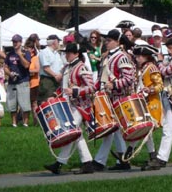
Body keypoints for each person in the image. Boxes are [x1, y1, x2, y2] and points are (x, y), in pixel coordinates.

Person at [44, 43, 95, 175]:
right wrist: (55, 95)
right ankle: (86, 163)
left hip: (80, 106)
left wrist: (75, 91)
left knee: (71, 132)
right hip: (68, 106)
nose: (66, 55)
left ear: (76, 54)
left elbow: (91, 87)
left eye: (69, 53)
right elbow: (63, 86)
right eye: (66, 52)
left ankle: (60, 163)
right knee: (76, 135)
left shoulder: (82, 68)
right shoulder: (67, 67)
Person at [91, 29, 135, 171]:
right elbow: (101, 78)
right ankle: (122, 160)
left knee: (112, 130)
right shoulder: (106, 57)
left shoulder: (121, 57)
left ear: (117, 42)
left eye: (109, 41)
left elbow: (129, 78)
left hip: (118, 98)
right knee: (113, 131)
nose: (106, 43)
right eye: (106, 41)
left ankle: (101, 161)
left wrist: (114, 84)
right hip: (107, 98)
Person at [144, 37, 172, 170]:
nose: (168, 51)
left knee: (168, 128)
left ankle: (161, 158)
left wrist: (159, 61)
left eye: (170, 48)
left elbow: (165, 71)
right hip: (169, 95)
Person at [124, 44, 163, 164]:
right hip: (141, 102)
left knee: (145, 129)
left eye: (140, 56)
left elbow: (160, 86)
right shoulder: (140, 69)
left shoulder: (151, 68)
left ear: (146, 56)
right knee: (144, 129)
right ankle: (152, 155)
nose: (137, 58)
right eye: (137, 55)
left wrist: (149, 90)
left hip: (151, 103)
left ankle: (129, 152)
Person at [4, 34, 31, 127]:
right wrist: (10, 74)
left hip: (23, 81)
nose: (14, 43)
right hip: (12, 82)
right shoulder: (9, 54)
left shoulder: (26, 52)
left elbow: (27, 65)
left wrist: (20, 55)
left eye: (16, 41)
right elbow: (5, 67)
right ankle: (14, 123)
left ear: (20, 42)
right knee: (12, 105)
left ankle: (25, 123)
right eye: (13, 41)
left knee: (25, 104)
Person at [38, 35, 63, 104]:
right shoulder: (44, 52)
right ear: (54, 42)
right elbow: (46, 68)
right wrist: (55, 76)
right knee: (46, 101)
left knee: (55, 100)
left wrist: (60, 75)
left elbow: (60, 66)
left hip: (56, 80)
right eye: (58, 42)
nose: (59, 44)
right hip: (47, 80)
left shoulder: (56, 54)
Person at [24, 40, 40, 126]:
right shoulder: (25, 58)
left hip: (34, 83)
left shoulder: (35, 58)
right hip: (26, 83)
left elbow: (37, 69)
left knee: (34, 103)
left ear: (32, 49)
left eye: (28, 48)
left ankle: (36, 121)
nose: (26, 50)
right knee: (26, 103)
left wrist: (29, 71)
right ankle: (25, 121)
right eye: (25, 48)